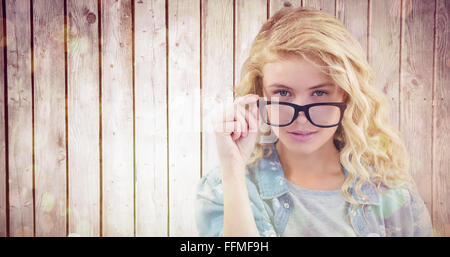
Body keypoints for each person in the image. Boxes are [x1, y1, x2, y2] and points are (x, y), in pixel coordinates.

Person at [195, 6, 433, 237]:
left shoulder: (392, 194)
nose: (300, 118)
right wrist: (233, 172)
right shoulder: (224, 187)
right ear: (261, 93)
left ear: (346, 95)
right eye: (283, 93)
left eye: (319, 93)